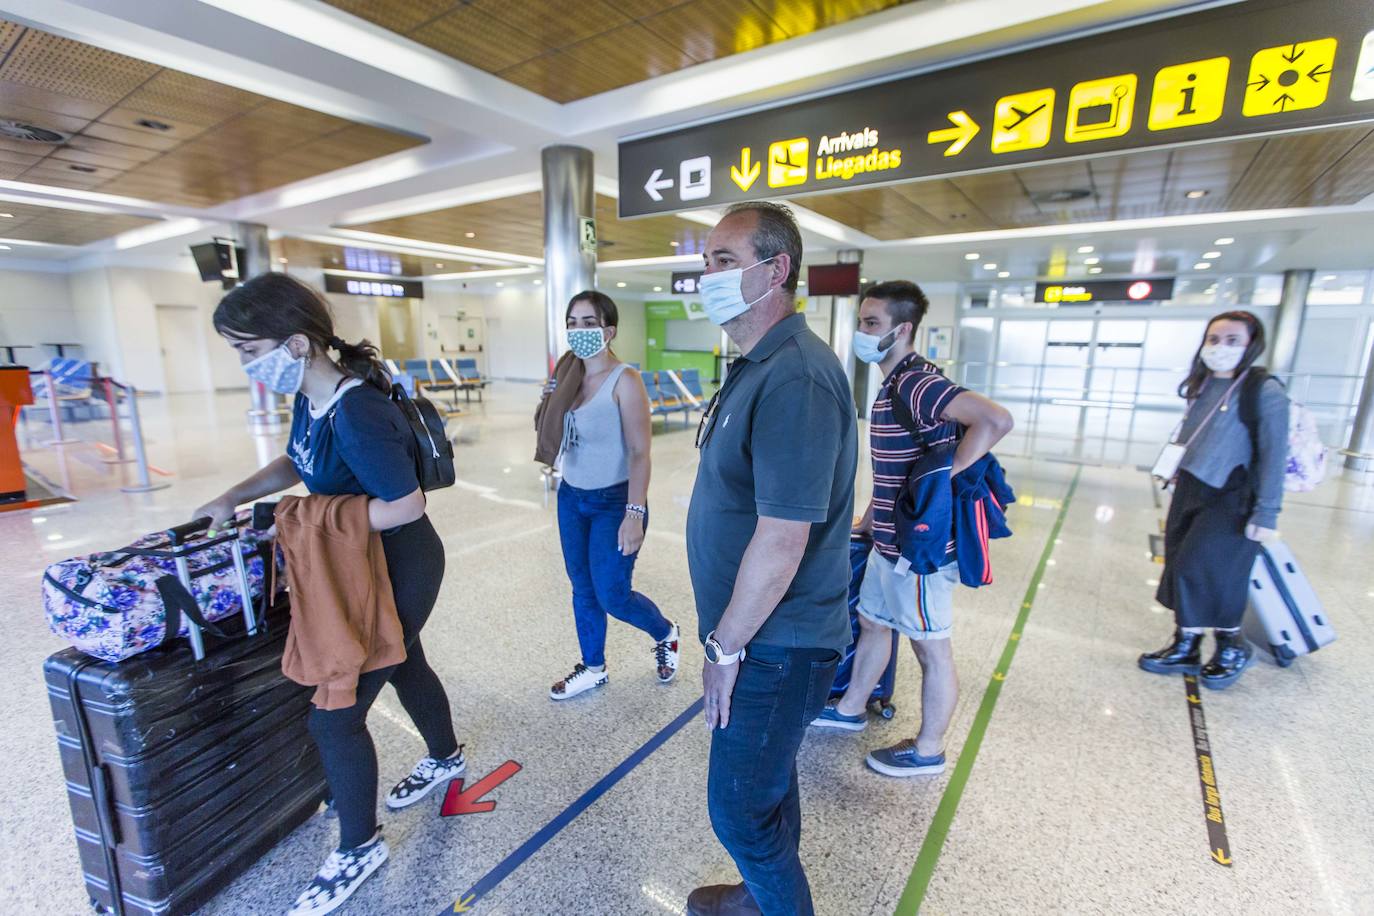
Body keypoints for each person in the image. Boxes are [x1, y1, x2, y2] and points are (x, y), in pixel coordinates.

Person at [192, 273, 464, 916]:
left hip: (398, 568)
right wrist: (236, 496)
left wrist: (301, 518)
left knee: (334, 713)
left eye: (247, 349)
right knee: (407, 662)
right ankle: (447, 755)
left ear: (294, 345)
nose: (244, 364)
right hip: (360, 565)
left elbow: (405, 505)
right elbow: (300, 459)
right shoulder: (312, 399)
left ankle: (359, 846)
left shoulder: (358, 408)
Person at [684, 202, 857, 916]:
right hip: (763, 637)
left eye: (725, 261)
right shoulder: (758, 364)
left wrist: (725, 646)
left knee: (738, 811)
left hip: (774, 643)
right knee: (768, 781)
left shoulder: (796, 377)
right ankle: (761, 899)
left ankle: (775, 898)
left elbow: (784, 538)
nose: (707, 277)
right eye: (706, 263)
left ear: (776, 269)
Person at [811, 281, 1012, 779]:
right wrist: (870, 521)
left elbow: (995, 419)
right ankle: (852, 707)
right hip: (888, 543)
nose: (862, 332)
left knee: (930, 647)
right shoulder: (893, 381)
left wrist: (945, 475)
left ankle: (928, 750)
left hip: (918, 554)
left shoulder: (915, 383)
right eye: (861, 322)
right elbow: (894, 471)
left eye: (872, 324)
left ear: (902, 329)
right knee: (875, 622)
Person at [541, 290, 679, 700]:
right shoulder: (567, 374)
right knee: (582, 587)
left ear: (609, 330)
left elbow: (640, 452)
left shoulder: (626, 380)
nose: (579, 330)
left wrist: (634, 514)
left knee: (613, 594)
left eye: (589, 322)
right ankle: (593, 666)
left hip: (614, 502)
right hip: (572, 497)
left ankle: (666, 633)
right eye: (573, 322)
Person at [1139, 310, 1288, 688]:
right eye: (1214, 339)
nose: (1220, 348)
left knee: (1207, 568)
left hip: (1234, 494)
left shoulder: (1263, 390)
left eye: (1232, 340)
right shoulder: (1202, 385)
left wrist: (1267, 513)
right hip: (1192, 486)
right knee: (1179, 563)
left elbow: (1274, 455)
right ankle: (1186, 644)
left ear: (1251, 345)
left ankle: (1232, 646)